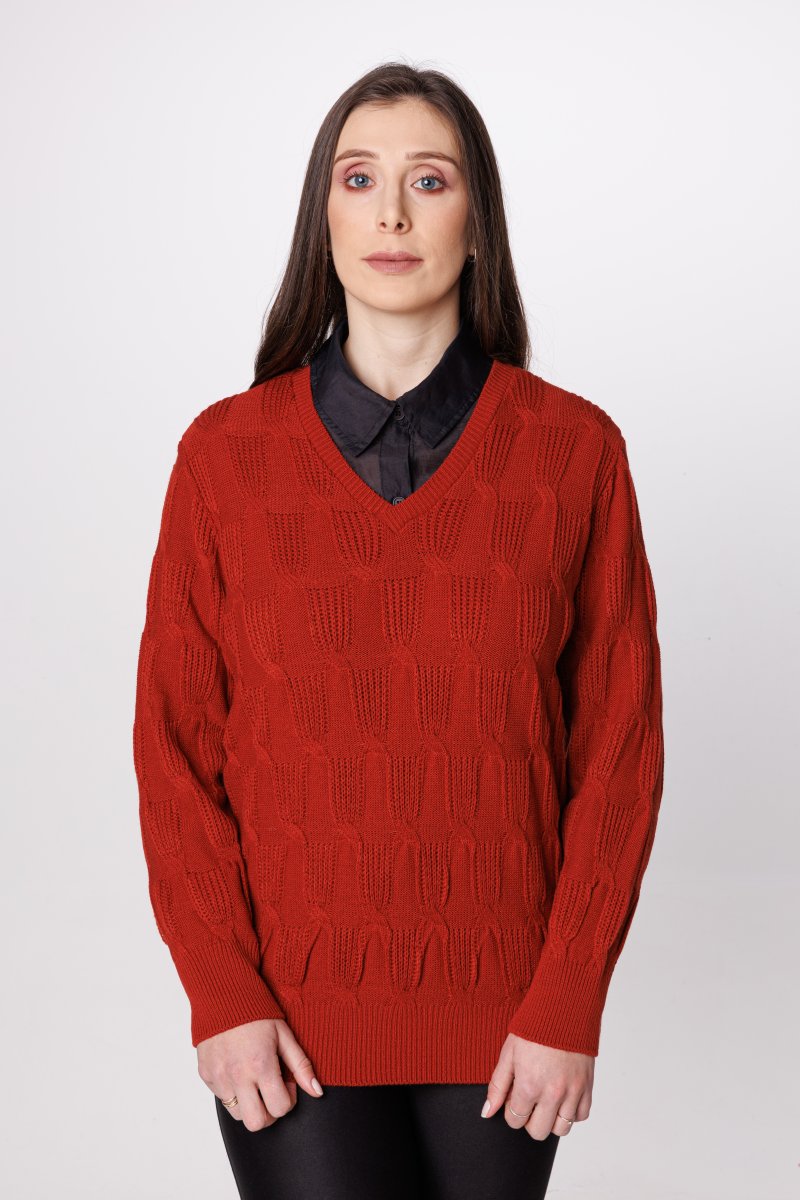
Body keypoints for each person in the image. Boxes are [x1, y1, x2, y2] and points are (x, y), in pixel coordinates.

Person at [132, 61, 664, 1200]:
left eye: (428, 180)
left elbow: (618, 752)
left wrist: (569, 998)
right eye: (358, 179)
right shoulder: (224, 461)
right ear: (321, 219)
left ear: (477, 221)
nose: (391, 214)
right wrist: (221, 993)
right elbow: (174, 753)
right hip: (283, 1023)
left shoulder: (573, 455)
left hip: (509, 1026)